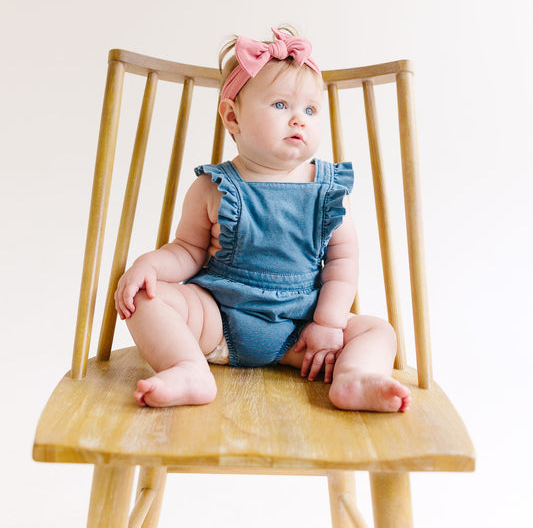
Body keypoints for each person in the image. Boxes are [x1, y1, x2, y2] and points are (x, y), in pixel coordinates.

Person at [114, 27, 411, 413]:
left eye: (310, 110)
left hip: (302, 330)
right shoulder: (213, 187)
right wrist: (148, 265)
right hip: (218, 319)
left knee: (377, 330)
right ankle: (188, 368)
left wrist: (329, 322)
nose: (298, 120)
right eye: (280, 106)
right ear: (232, 117)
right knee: (142, 297)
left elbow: (342, 263)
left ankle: (353, 378)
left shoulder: (329, 189)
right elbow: (187, 251)